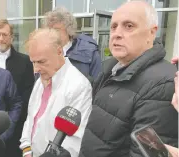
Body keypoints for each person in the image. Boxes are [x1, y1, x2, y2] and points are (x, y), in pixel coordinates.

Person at [79, 1, 178, 157]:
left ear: (151, 32)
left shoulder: (162, 84)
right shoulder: (109, 69)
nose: (117, 33)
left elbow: (145, 152)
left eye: (129, 26)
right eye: (113, 26)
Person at [19, 28, 92, 157]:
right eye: (33, 62)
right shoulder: (41, 80)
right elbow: (31, 120)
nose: (36, 69)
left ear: (59, 51)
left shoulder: (79, 85)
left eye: (41, 61)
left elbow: (74, 141)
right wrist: (26, 150)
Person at [0, 19, 34, 157]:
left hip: (17, 124)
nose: (1, 38)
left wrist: (16, 117)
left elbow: (28, 92)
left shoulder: (25, 61)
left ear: (12, 37)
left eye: (4, 34)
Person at [42, 7, 101, 79]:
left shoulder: (89, 51)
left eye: (56, 30)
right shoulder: (44, 52)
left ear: (69, 30)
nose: (51, 34)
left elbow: (97, 82)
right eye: (49, 30)